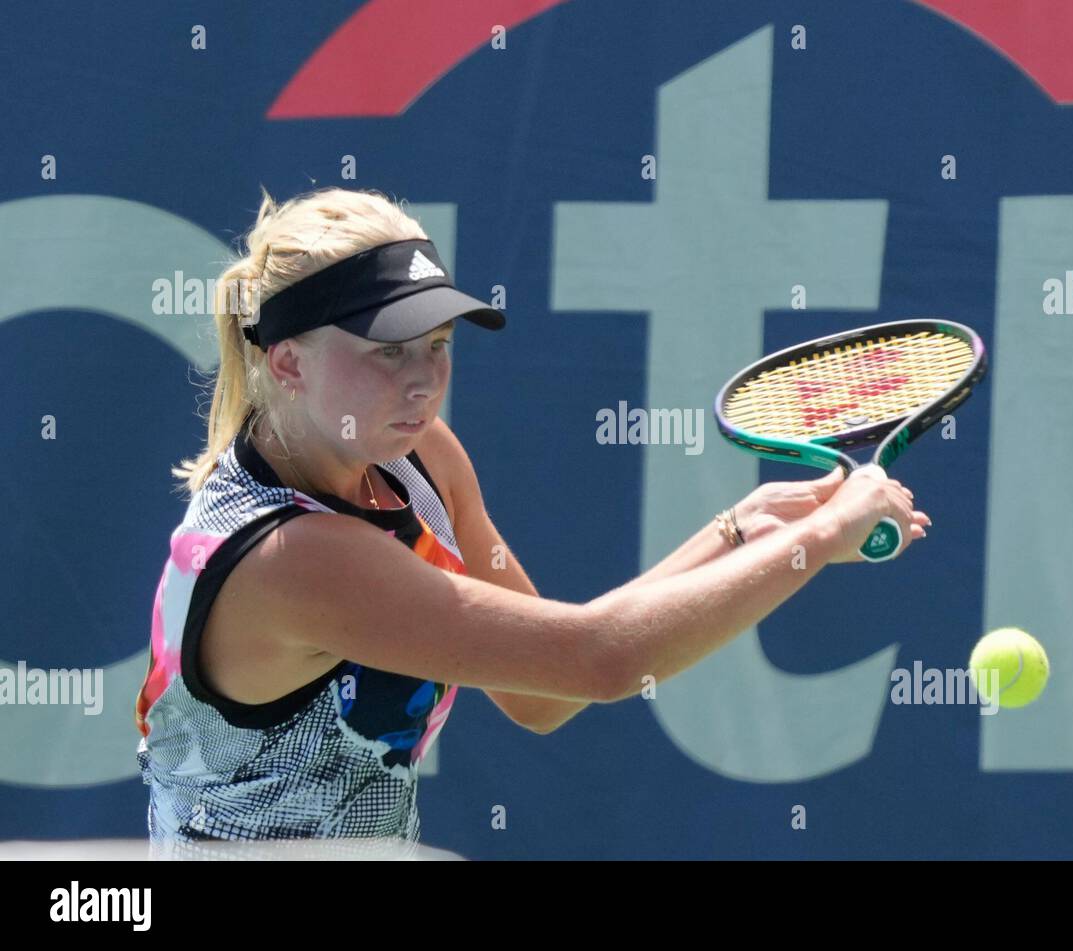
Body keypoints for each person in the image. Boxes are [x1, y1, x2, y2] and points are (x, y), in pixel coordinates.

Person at [134, 186, 930, 858]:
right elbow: (598, 660)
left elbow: (541, 693)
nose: (423, 383)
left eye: (437, 345)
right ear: (288, 361)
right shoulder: (293, 559)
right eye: (387, 351)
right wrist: (819, 540)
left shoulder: (417, 458)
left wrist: (739, 529)